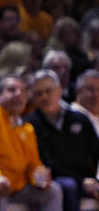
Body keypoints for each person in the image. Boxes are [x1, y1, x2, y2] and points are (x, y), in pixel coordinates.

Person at [0, 74, 62, 211]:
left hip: (18, 188)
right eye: (12, 90)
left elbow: (33, 163)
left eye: (23, 91)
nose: (18, 94)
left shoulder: (26, 127)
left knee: (53, 191)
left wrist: (39, 179)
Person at [27, 70, 99, 211]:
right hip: (55, 179)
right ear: (33, 98)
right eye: (39, 94)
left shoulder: (79, 119)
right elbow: (47, 161)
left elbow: (97, 151)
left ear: (59, 91)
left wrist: (96, 179)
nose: (44, 97)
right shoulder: (30, 124)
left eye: (49, 91)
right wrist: (81, 181)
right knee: (68, 185)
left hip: (87, 178)